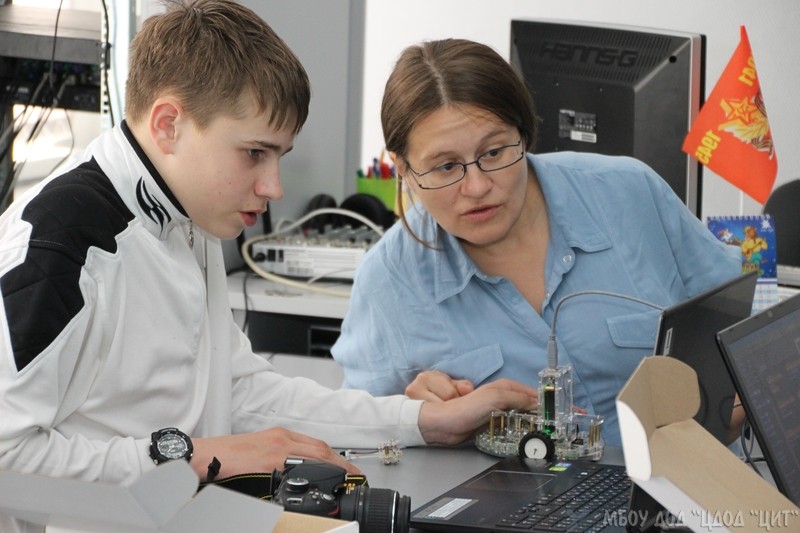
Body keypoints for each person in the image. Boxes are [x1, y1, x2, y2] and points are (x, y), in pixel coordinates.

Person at [0, 5, 538, 531]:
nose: (274, 187)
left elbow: (239, 392)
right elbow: (6, 460)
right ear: (168, 125)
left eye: (280, 155)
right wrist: (193, 455)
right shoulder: (61, 247)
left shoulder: (185, 207)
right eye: (254, 153)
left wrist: (422, 421)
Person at [331, 38, 742, 447]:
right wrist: (413, 420)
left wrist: (728, 409)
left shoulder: (630, 193)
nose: (477, 186)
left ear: (524, 135)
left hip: (692, 480)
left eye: (494, 152)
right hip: (510, 493)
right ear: (403, 168)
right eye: (446, 167)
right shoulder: (388, 282)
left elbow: (746, 339)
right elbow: (358, 447)